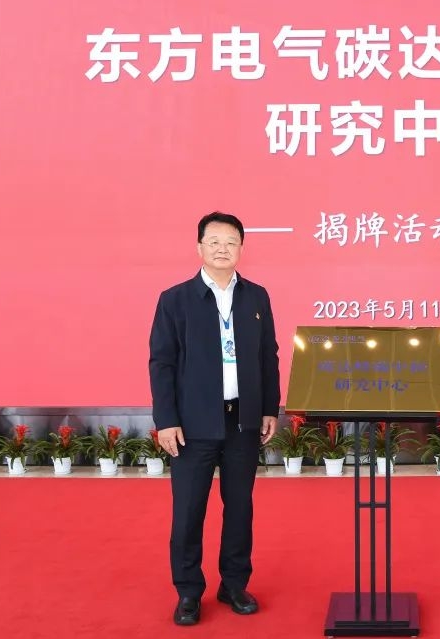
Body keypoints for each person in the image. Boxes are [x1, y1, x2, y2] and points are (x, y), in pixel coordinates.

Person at [149, 211, 280, 626]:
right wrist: (166, 419)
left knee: (240, 508)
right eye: (214, 241)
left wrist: (268, 408)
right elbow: (162, 363)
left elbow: (268, 356)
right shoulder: (175, 300)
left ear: (242, 248)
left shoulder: (256, 297)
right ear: (199, 247)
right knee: (189, 511)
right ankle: (189, 591)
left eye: (231, 242)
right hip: (192, 425)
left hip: (242, 420)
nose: (223, 249)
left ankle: (234, 584)